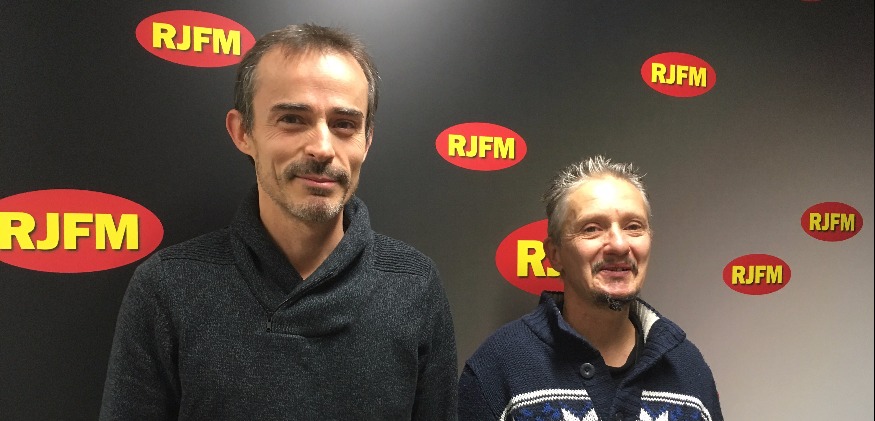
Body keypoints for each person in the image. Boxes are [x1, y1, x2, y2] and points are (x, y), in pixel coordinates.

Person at [100, 23, 458, 420]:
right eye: (292, 119)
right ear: (243, 132)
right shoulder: (169, 287)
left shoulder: (414, 286)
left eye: (344, 124)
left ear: (367, 140)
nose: (322, 148)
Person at [458, 155, 723, 421]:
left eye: (633, 227)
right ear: (555, 254)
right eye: (592, 228)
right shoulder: (498, 366)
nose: (619, 245)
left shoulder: (688, 368)